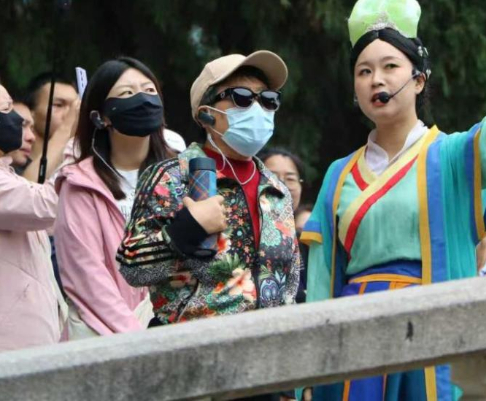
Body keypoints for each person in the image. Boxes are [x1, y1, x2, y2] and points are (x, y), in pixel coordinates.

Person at [301, 0, 486, 400]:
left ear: (419, 79)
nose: (376, 80)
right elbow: (321, 279)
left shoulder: (451, 155)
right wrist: (308, 375)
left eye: (390, 67)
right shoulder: (338, 174)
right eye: (364, 71)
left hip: (433, 327)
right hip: (355, 339)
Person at [118, 52, 300, 324]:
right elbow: (132, 269)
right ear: (205, 114)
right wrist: (184, 231)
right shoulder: (170, 178)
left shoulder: (277, 190)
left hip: (271, 342)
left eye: (268, 99)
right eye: (242, 97)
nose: (258, 108)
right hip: (193, 343)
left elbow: (290, 284)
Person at [55, 58, 175, 337]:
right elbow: (87, 277)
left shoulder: (182, 173)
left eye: (149, 90)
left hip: (176, 330)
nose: (143, 99)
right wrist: (137, 339)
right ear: (102, 117)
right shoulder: (80, 185)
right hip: (112, 338)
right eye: (127, 93)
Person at [0, 73, 72, 351]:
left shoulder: (3, 172)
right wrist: (70, 134)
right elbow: (48, 205)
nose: (17, 119)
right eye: (6, 109)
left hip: (35, 336)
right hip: (12, 342)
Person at [261, 147, 310, 303]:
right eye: (272, 176)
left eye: (290, 178)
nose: (281, 184)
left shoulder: (307, 241)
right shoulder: (241, 234)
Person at [25, 72, 80, 170]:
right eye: (59, 105)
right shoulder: (12, 167)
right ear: (31, 113)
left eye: (74, 107)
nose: (71, 114)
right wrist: (66, 128)